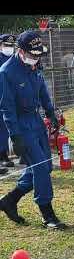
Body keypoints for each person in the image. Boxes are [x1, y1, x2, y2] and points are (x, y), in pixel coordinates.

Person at [0, 31, 66, 229]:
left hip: (36, 121)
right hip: (21, 124)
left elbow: (42, 90)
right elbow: (7, 107)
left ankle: (10, 200)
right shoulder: (6, 72)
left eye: (38, 55)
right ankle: (48, 215)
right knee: (40, 169)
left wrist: (50, 113)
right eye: (32, 54)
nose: (36, 58)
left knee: (46, 166)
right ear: (21, 51)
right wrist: (15, 136)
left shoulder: (34, 65)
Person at [0, 34, 17, 171]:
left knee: (9, 127)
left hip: (13, 98)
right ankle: (3, 155)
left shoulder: (15, 58)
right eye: (6, 45)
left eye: (11, 46)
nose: (9, 48)